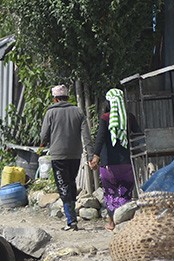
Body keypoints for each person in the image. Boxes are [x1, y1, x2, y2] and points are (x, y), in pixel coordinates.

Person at [39, 84, 91, 231]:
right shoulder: (78, 111)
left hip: (58, 156)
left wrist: (44, 142)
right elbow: (86, 136)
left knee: (63, 187)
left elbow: (44, 136)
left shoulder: (50, 113)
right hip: (75, 155)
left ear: (55, 99)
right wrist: (91, 154)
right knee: (71, 183)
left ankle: (71, 221)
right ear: (67, 98)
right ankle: (72, 216)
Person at [88, 87, 140, 230]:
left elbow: (100, 139)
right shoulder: (129, 118)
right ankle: (124, 224)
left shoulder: (105, 118)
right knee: (125, 193)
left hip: (108, 165)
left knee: (110, 193)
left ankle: (111, 222)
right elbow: (139, 136)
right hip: (126, 163)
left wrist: (95, 158)